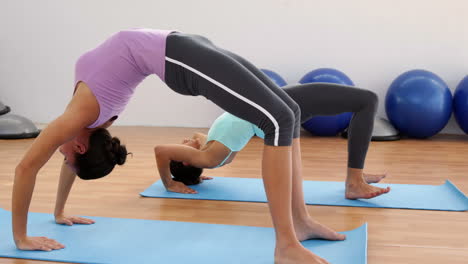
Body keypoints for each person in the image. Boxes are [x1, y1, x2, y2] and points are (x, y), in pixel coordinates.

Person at [12, 28, 368, 263]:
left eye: (64, 154)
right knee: (276, 119)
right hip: (180, 57)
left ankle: (300, 222)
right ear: (81, 148)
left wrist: (39, 225)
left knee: (288, 111)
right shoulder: (83, 118)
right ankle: (287, 242)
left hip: (184, 48)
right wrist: (35, 228)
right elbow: (44, 165)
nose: (59, 151)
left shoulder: (82, 120)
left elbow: (42, 165)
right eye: (66, 156)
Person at [157, 83, 391, 200]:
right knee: (367, 100)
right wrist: (170, 183)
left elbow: (199, 139)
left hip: (276, 106)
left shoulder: (211, 150)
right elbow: (161, 150)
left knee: (366, 101)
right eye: (183, 145)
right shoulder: (210, 156)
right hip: (277, 107)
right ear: (186, 160)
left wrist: (197, 174)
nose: (186, 139)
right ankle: (354, 182)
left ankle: (355, 177)